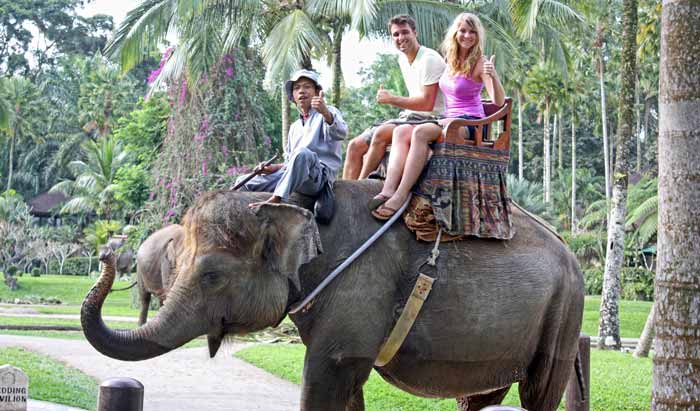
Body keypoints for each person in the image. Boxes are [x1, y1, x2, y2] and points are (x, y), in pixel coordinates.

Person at [371, 12, 505, 220]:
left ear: (478, 36)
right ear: (455, 33)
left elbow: (498, 101)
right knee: (401, 131)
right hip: (446, 119)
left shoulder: (480, 62)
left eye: (472, 32)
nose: (467, 36)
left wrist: (493, 74)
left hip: (470, 122)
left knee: (421, 133)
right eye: (463, 30)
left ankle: (400, 194)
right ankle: (388, 189)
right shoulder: (449, 60)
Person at [342, 14, 446, 181]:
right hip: (409, 117)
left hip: (432, 119)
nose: (400, 38)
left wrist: (392, 99)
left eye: (405, 32)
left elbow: (427, 103)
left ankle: (359, 186)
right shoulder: (402, 59)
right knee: (354, 145)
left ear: (415, 33)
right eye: (396, 34)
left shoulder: (429, 59)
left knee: (381, 133)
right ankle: (343, 194)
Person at [237, 69, 348, 221]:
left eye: (307, 87)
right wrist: (273, 168)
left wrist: (325, 112)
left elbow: (341, 133)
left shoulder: (329, 112)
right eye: (297, 88)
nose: (301, 91)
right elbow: (291, 162)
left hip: (317, 178)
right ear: (293, 96)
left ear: (316, 92)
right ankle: (244, 221)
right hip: (294, 176)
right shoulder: (294, 127)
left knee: (303, 153)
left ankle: (277, 200)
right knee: (244, 181)